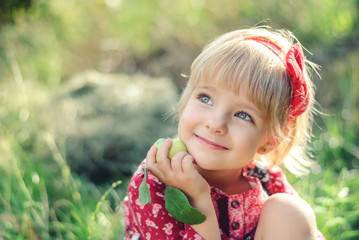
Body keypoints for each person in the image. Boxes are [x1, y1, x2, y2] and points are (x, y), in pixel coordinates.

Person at [124, 26, 326, 240]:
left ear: (271, 139)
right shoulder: (155, 182)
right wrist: (198, 198)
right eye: (205, 98)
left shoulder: (266, 179)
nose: (216, 123)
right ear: (185, 99)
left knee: (292, 213)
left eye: (243, 115)